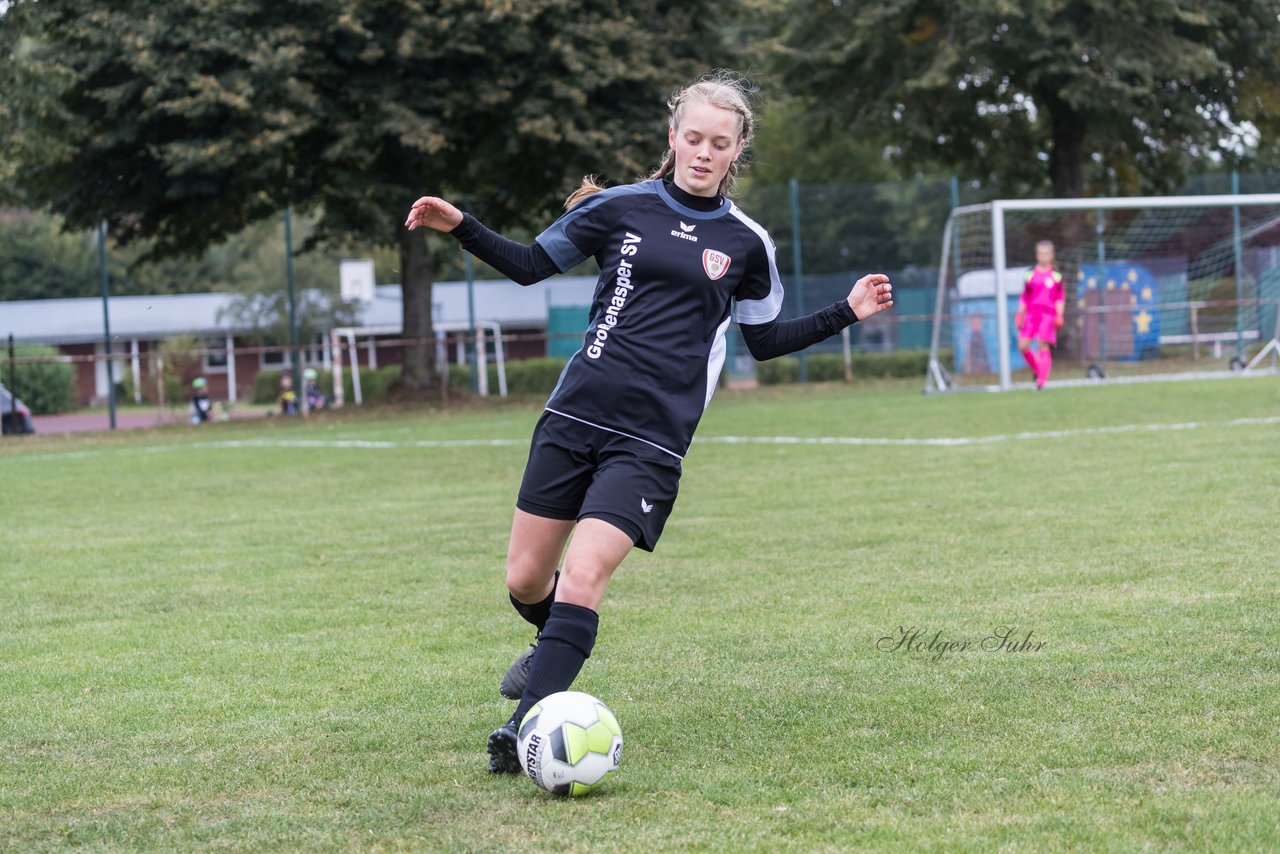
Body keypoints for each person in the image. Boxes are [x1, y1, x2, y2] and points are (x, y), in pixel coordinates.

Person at [404, 72, 895, 775]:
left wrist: (846, 310)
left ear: (737, 151)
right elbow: (532, 265)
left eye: (718, 143)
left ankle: (523, 732)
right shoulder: (620, 208)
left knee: (582, 580)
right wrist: (464, 227)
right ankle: (554, 652)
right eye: (692, 138)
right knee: (524, 580)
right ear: (673, 137)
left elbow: (764, 340)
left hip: (652, 439)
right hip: (574, 415)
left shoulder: (748, 243)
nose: (703, 151)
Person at [1015, 240, 1066, 389]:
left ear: (1051, 255)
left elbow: (1060, 298)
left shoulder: (1056, 277)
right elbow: (1025, 296)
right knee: (1023, 345)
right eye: (1041, 254)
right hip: (1032, 314)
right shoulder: (1030, 275)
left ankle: (1041, 383)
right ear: (1037, 256)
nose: (1044, 257)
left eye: (1046, 254)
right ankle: (1039, 371)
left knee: (1042, 344)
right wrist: (1020, 314)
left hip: (1047, 315)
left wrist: (1059, 315)